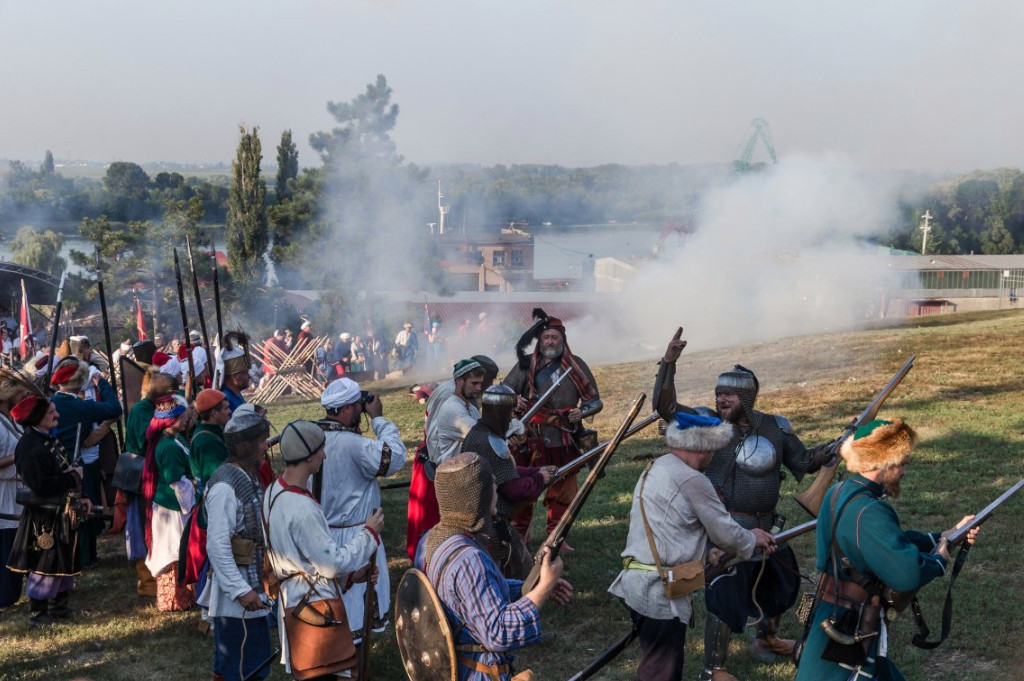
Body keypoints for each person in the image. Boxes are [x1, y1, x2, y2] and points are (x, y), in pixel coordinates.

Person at [652, 330, 834, 680]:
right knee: (725, 593)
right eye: (719, 392)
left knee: (781, 584)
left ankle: (766, 639)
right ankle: (713, 669)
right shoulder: (709, 425)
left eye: (730, 393)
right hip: (727, 528)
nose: (722, 398)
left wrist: (828, 452)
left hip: (768, 526)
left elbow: (803, 461)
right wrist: (669, 363)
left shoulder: (775, 429)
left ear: (747, 396)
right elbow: (667, 408)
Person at [795, 419, 979, 681]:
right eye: (902, 463)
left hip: (832, 611)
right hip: (850, 621)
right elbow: (906, 573)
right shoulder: (870, 511)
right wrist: (938, 560)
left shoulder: (839, 491)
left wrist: (943, 537)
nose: (904, 471)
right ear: (882, 460)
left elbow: (882, 543)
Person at [608, 413, 776, 681]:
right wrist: (752, 537)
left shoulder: (657, 466)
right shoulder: (692, 479)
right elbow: (726, 532)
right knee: (661, 673)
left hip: (640, 583)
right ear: (704, 448)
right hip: (660, 590)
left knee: (656, 665)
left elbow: (674, 526)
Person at [422, 452, 573, 681]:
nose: (496, 489)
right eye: (491, 484)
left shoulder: (435, 539)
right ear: (477, 496)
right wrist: (544, 588)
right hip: (474, 672)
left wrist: (533, 586)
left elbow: (477, 593)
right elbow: (499, 632)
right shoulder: (468, 560)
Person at [262, 420, 384, 678]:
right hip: (313, 607)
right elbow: (330, 565)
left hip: (296, 599)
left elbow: (304, 560)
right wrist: (369, 533)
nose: (325, 455)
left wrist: (351, 576)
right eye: (320, 450)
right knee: (324, 673)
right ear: (307, 456)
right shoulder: (301, 507)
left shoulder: (273, 491)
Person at [317, 378, 406, 641]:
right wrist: (378, 419)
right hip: (356, 536)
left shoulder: (312, 437)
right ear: (346, 409)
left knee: (336, 610)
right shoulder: (353, 444)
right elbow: (395, 458)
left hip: (324, 534)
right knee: (355, 612)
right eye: (358, 405)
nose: (361, 409)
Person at [503, 317, 602, 544]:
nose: (550, 342)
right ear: (540, 341)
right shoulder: (524, 365)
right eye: (546, 337)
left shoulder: (576, 365)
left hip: (563, 437)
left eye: (554, 337)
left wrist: (582, 412)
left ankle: (556, 535)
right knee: (523, 487)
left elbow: (595, 401)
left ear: (562, 340)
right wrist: (513, 400)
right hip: (528, 436)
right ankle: (519, 533)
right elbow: (503, 393)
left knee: (563, 489)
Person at [199, 408, 273, 681]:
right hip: (237, 601)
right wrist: (241, 590)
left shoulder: (247, 475)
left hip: (251, 591)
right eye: (261, 441)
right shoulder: (224, 487)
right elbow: (217, 545)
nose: (266, 446)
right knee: (244, 670)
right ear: (243, 446)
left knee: (243, 667)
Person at [6, 395, 91, 626]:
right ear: (37, 417)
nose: (57, 415)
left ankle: (59, 608)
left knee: (62, 560)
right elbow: (42, 486)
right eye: (51, 412)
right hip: (43, 517)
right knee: (44, 563)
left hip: (61, 511)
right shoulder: (30, 447)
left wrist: (81, 496)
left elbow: (65, 469)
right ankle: (38, 614)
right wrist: (72, 476)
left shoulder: (48, 439)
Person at [406, 355, 498, 561]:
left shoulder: (463, 396)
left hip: (444, 460)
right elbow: (440, 435)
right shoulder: (451, 397)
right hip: (437, 464)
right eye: (478, 383)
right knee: (436, 525)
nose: (481, 388)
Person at [460, 385, 554, 579]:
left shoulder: (478, 433)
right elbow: (512, 490)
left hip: (478, 517)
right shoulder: (490, 441)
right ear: (500, 413)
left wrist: (536, 470)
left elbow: (506, 471)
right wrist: (540, 479)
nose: (511, 417)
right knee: (511, 573)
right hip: (489, 524)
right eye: (509, 412)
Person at [50, 359, 122, 570]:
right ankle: (80, 559)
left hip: (53, 464)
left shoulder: (52, 402)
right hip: (73, 464)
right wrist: (103, 384)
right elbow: (114, 408)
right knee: (78, 512)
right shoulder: (79, 406)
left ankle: (78, 557)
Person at [123, 371, 179, 597]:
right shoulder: (141, 410)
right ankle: (147, 583)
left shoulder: (151, 408)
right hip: (141, 478)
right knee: (142, 527)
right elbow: (148, 440)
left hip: (155, 475)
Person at [142, 393, 197, 611]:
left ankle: (183, 598)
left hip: (172, 505)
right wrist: (192, 495)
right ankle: (174, 599)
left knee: (178, 550)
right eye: (182, 417)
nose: (186, 420)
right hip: (173, 508)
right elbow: (176, 481)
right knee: (175, 550)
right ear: (171, 419)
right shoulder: (169, 447)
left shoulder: (174, 439)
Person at [0, 372, 29, 610]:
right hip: (3, 491)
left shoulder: (7, 419)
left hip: (15, 488)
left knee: (14, 543)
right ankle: (4, 597)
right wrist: (18, 456)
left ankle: (11, 593)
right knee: (5, 544)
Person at [217, 332, 252, 414]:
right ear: (234, 377)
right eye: (245, 373)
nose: (249, 376)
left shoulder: (235, 393)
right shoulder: (226, 398)